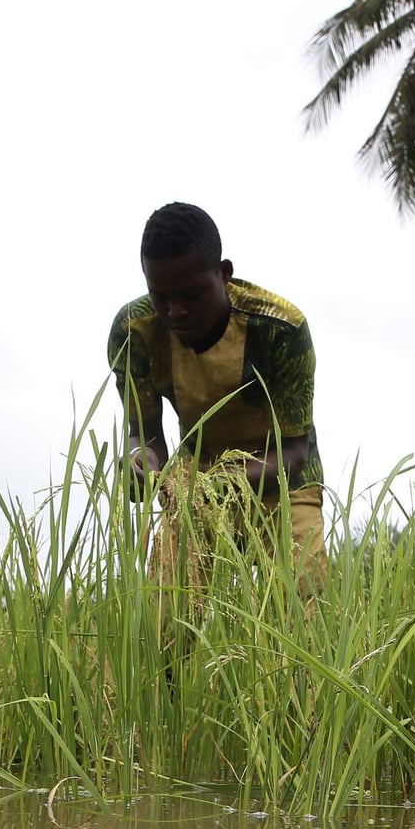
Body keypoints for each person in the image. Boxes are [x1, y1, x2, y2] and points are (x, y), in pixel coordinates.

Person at [107, 202, 328, 596]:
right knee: (161, 629)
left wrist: (217, 486)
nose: (176, 311)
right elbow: (145, 432)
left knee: (303, 617)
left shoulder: (280, 329)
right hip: (197, 487)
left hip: (283, 485)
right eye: (161, 297)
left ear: (224, 274)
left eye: (192, 294)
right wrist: (140, 462)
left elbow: (293, 452)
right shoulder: (135, 332)